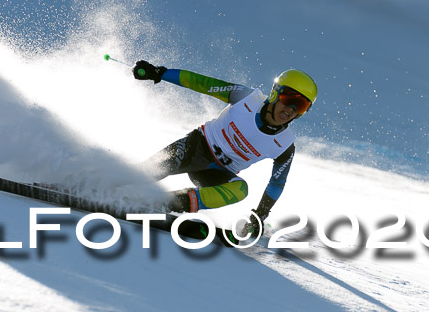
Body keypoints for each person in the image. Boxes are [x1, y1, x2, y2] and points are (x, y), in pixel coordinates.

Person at [132, 60, 318, 232]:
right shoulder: (246, 98)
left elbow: (276, 183)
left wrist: (258, 217)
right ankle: (111, 181)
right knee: (148, 172)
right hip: (196, 147)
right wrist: (160, 73)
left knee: (241, 189)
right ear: (275, 93)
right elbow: (203, 84)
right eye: (289, 99)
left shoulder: (284, 146)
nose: (290, 110)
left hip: (215, 174)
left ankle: (168, 202)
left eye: (300, 106)